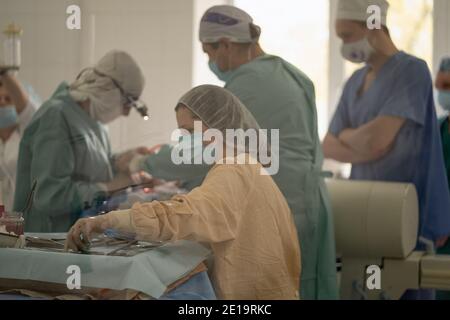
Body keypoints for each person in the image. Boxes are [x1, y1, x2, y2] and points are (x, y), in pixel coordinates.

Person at [125, 5, 338, 300]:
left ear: (225, 44)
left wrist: (145, 161)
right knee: (307, 286)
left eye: (209, 52)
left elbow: (203, 150)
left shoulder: (249, 83)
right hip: (312, 202)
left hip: (281, 204)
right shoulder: (293, 75)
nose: (210, 60)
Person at [65, 85, 301, 300]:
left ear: (217, 126)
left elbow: (183, 214)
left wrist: (105, 220)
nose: (184, 142)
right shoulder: (246, 165)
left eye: (189, 132)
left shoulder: (234, 170)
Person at [323, 0, 450, 299]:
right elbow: (328, 145)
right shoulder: (355, 80)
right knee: (368, 289)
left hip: (404, 219)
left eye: (347, 35)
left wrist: (350, 136)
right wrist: (366, 144)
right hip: (363, 216)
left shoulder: (412, 71)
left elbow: (375, 141)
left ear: (373, 25)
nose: (344, 45)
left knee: (402, 290)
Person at [13, 50, 151, 233]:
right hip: (48, 242)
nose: (126, 113)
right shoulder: (56, 116)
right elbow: (49, 195)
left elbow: (88, 168)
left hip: (79, 238)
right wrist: (109, 187)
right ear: (108, 88)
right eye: (127, 103)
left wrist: (120, 161)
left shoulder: (96, 122)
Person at [0, 69, 39, 212]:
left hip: (33, 219)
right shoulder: (3, 142)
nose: (2, 103)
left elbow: (27, 108)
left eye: (8, 99)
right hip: (12, 221)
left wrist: (4, 73)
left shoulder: (28, 132)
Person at [435, 57, 450, 300]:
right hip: (437, 235)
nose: (441, 93)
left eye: (447, 87)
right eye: (439, 87)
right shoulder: (437, 128)